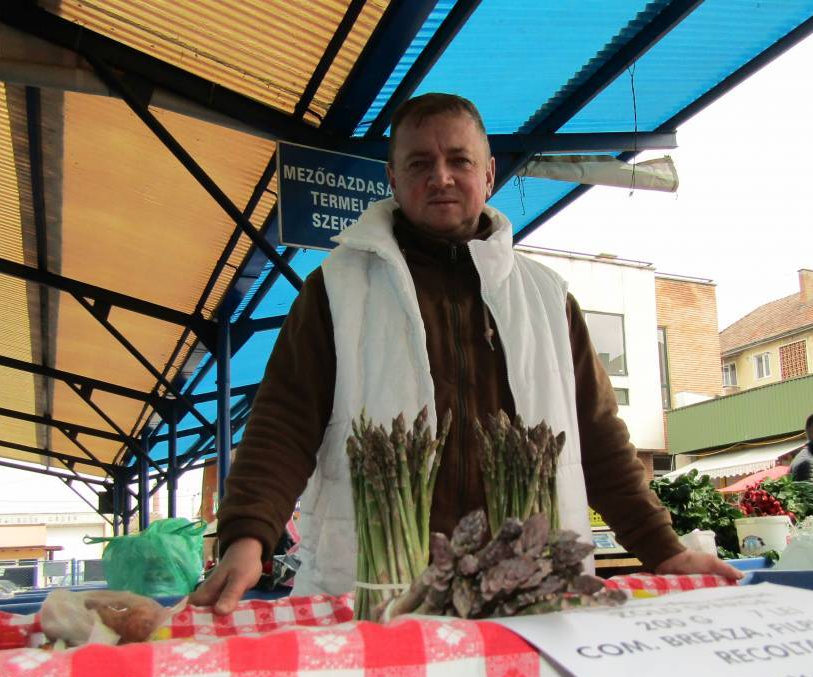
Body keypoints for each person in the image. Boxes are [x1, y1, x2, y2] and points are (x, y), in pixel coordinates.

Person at [190, 93, 740, 614]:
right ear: (392, 178)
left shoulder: (545, 297)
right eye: (419, 163)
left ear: (489, 173)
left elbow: (597, 437)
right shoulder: (336, 287)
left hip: (527, 589)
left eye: (459, 160)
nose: (441, 177)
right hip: (376, 586)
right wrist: (247, 535)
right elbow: (283, 424)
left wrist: (662, 548)